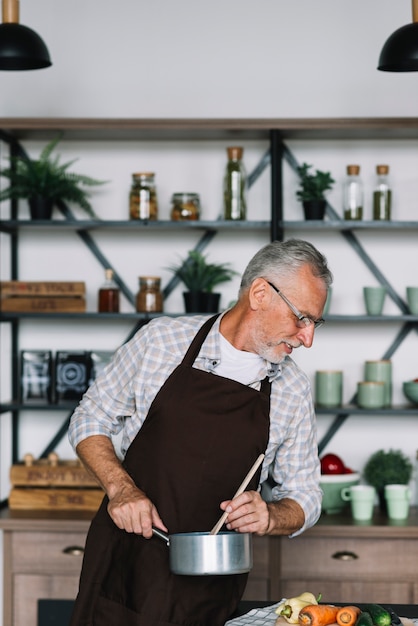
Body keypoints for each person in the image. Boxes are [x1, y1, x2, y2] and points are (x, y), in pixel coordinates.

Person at [68, 238, 333, 626]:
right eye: (302, 318)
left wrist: (271, 515)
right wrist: (121, 489)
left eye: (315, 323)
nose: (308, 338)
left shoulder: (291, 389)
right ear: (260, 293)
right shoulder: (161, 342)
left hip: (210, 589)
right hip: (123, 571)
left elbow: (305, 496)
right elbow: (90, 418)